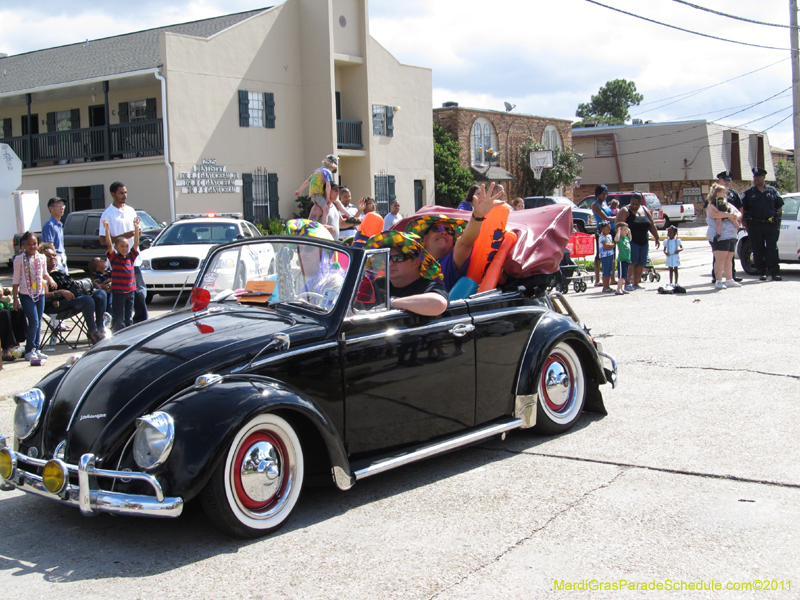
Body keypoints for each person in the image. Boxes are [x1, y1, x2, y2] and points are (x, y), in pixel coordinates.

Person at [405, 183, 505, 290]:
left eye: (450, 231)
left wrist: (478, 216)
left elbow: (466, 242)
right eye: (437, 229)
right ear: (425, 237)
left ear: (453, 241)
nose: (444, 233)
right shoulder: (410, 264)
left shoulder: (450, 264)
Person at [364, 231, 448, 316]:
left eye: (398, 258)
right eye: (387, 257)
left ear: (416, 262)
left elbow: (439, 303)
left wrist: (390, 304)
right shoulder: (379, 284)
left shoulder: (428, 287)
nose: (390, 263)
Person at [99, 182, 148, 323]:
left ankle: (140, 321)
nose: (124, 196)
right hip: (118, 261)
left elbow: (136, 232)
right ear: (113, 194)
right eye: (121, 193)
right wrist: (124, 235)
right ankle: (119, 324)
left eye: (125, 192)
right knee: (121, 296)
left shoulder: (131, 210)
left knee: (139, 292)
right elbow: (103, 240)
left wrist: (137, 232)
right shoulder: (107, 214)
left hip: (133, 259)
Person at [41, 245, 108, 345]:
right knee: (87, 300)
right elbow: (44, 295)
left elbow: (71, 284)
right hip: (55, 304)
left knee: (100, 293)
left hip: (72, 298)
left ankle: (100, 328)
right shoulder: (42, 274)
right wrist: (60, 291)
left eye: (54, 255)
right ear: (41, 258)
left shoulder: (59, 270)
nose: (52, 257)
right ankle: (92, 331)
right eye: (48, 256)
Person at [12, 232, 57, 363]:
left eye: (35, 244)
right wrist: (15, 298)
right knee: (34, 321)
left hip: (39, 293)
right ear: (23, 245)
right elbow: (15, 280)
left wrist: (50, 279)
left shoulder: (41, 258)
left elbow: (44, 273)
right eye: (29, 244)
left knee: (38, 321)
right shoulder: (19, 259)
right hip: (26, 294)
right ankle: (29, 349)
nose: (32, 247)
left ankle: (36, 348)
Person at [741, 167, 784, 281]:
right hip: (755, 225)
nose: (756, 179)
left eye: (758, 176)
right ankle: (762, 272)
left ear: (764, 177)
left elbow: (779, 206)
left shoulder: (772, 191)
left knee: (772, 249)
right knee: (758, 249)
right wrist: (745, 225)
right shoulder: (749, 193)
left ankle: (774, 272)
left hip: (770, 224)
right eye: (755, 177)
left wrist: (778, 222)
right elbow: (742, 209)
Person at [615, 191, 660, 289]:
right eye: (633, 203)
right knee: (631, 262)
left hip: (643, 241)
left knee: (641, 262)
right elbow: (618, 225)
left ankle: (636, 283)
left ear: (641, 203)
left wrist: (657, 237)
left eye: (637, 204)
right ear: (630, 201)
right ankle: (627, 283)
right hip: (630, 241)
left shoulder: (645, 209)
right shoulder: (625, 211)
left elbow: (651, 224)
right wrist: (620, 240)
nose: (634, 205)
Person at [104, 216, 141, 332]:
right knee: (119, 316)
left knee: (128, 316)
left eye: (126, 246)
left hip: (130, 291)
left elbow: (136, 243)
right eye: (122, 246)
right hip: (119, 292)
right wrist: (107, 230)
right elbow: (109, 245)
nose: (125, 248)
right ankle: (117, 333)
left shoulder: (131, 256)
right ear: (116, 248)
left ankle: (129, 334)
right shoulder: (114, 258)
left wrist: (136, 227)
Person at [709, 171, 743, 283]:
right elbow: (715, 214)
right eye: (724, 193)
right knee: (720, 258)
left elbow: (738, 212)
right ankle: (718, 279)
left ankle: (729, 279)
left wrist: (735, 216)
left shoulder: (728, 200)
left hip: (730, 234)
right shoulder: (712, 202)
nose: (726, 195)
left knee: (729, 258)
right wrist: (728, 215)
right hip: (721, 234)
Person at [590, 185, 614, 286]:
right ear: (598, 194)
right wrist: (617, 218)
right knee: (600, 254)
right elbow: (605, 217)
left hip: (611, 230)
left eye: (606, 194)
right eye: (602, 194)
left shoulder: (605, 203)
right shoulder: (595, 205)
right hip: (601, 232)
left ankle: (612, 278)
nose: (604, 196)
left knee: (612, 254)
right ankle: (597, 279)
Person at [41, 196, 68, 272]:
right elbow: (49, 244)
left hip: (62, 255)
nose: (62, 208)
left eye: (63, 205)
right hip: (55, 256)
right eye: (59, 205)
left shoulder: (59, 224)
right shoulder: (49, 224)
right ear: (51, 208)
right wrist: (54, 257)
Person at [597, 221, 615, 293]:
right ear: (602, 229)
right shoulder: (601, 237)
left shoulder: (609, 236)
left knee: (610, 270)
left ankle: (608, 286)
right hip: (604, 256)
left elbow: (613, 244)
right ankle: (605, 286)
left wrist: (611, 245)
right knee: (606, 271)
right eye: (607, 229)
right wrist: (611, 245)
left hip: (610, 255)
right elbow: (606, 247)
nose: (609, 231)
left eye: (609, 229)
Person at [615, 222, 632, 294]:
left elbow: (630, 239)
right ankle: (618, 289)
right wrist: (618, 231)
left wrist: (629, 231)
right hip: (621, 259)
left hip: (627, 259)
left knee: (625, 275)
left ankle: (622, 288)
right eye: (624, 230)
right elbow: (616, 239)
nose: (626, 231)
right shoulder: (620, 239)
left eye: (627, 230)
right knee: (621, 276)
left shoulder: (626, 238)